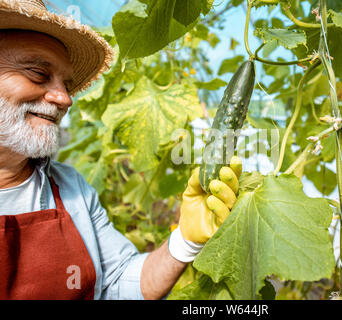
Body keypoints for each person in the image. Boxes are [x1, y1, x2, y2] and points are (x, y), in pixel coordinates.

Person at [0, 0, 240, 300]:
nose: (64, 98)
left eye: (67, 84)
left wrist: (186, 240)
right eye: (38, 74)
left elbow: (117, 282)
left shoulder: (71, 187)